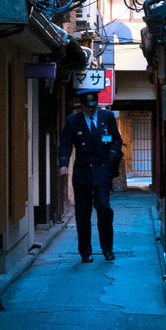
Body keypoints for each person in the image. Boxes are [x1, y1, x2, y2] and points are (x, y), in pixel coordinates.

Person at [58, 82, 123, 262]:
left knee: (104, 210)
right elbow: (65, 144)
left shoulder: (107, 117)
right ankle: (85, 251)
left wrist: (111, 157)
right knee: (83, 214)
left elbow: (117, 141)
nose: (92, 109)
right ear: (82, 106)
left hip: (102, 171)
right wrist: (63, 163)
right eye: (88, 107)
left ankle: (107, 249)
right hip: (83, 173)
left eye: (94, 106)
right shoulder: (73, 121)